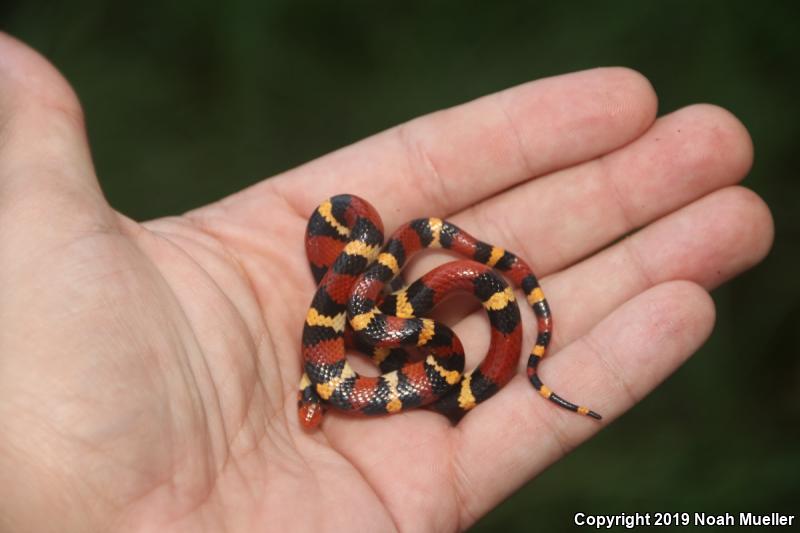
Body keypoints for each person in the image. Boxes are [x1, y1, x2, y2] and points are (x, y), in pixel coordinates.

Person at [0, 32, 772, 532]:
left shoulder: (365, 308)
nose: (319, 401)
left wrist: (486, 321)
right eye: (316, 397)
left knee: (456, 315)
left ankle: (516, 310)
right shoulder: (353, 327)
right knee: (441, 331)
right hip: (396, 307)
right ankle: (512, 313)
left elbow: (379, 320)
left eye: (314, 395)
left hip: (402, 301)